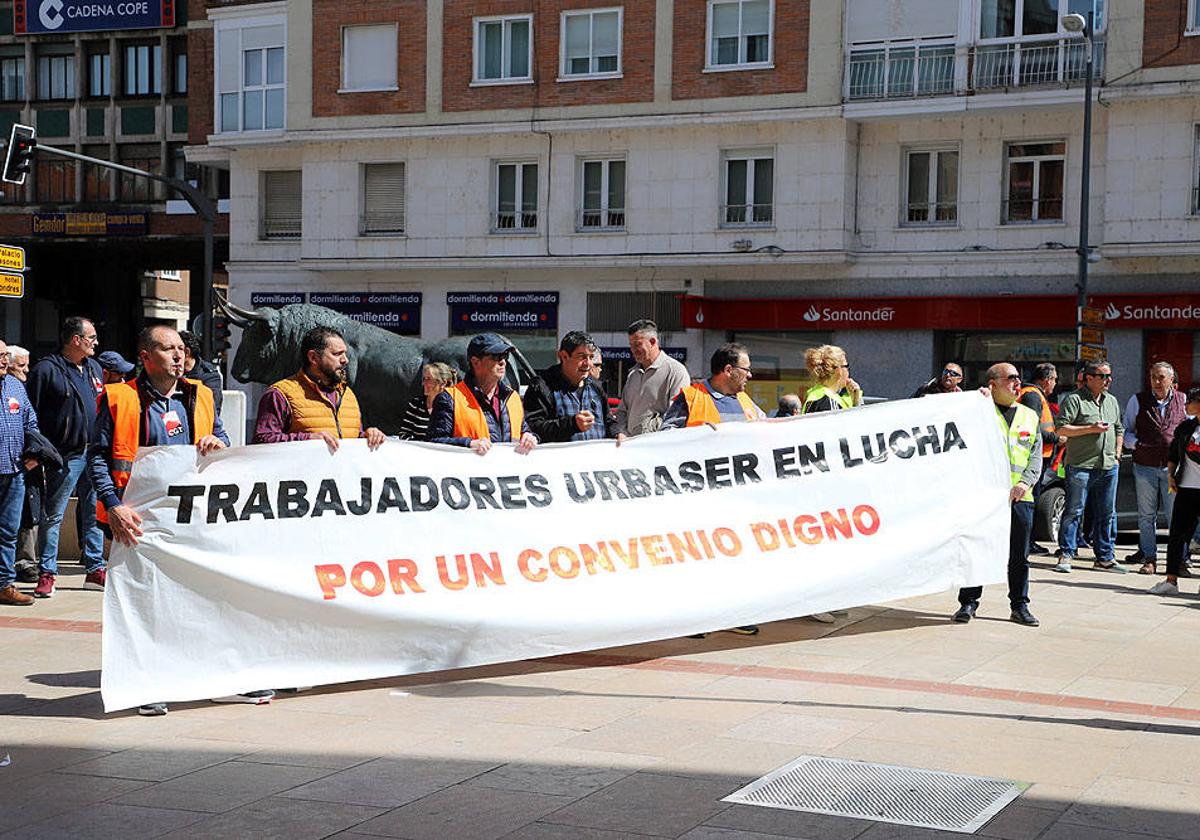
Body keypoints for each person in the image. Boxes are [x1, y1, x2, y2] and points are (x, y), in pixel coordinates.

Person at [90, 325, 271, 714]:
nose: (177, 355)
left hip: (193, 517)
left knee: (209, 596)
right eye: (167, 348)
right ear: (145, 356)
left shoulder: (201, 395)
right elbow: (98, 458)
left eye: (180, 348)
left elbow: (221, 442)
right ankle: (148, 684)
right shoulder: (119, 398)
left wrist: (216, 445)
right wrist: (113, 505)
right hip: (137, 520)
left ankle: (221, 679)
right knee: (146, 603)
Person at [952, 363, 1042, 627]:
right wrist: (974, 400)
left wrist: (1025, 483)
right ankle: (968, 603)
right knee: (977, 550)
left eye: (1018, 378)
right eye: (1010, 379)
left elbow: (1035, 456)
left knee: (1019, 556)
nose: (1017, 384)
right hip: (985, 498)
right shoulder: (978, 412)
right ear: (992, 384)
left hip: (1020, 498)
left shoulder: (1029, 415)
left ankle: (1019, 605)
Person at [25, 317, 107, 598]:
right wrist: (39, 451)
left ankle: (95, 568)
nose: (96, 342)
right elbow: (30, 414)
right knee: (54, 514)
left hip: (94, 453)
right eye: (91, 337)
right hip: (64, 455)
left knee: (94, 512)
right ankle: (47, 572)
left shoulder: (95, 369)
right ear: (76, 340)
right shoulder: (46, 370)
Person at [252, 326, 385, 452]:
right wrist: (307, 440)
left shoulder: (348, 394)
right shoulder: (279, 394)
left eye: (344, 353)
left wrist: (367, 436)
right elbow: (262, 441)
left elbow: (348, 437)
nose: (345, 360)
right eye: (337, 354)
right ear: (313, 357)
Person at [1053, 360, 1125, 574]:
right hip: (1080, 465)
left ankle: (1104, 557)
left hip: (1108, 465)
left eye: (1109, 376)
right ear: (1089, 378)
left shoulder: (1111, 401)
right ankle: (1066, 553)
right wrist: (1090, 429)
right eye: (1103, 376)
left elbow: (1119, 428)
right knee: (1074, 510)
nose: (1108, 380)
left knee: (1107, 513)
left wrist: (1117, 455)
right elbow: (1060, 429)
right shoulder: (1074, 400)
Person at [1122, 362, 1188, 573]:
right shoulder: (1137, 400)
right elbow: (1126, 431)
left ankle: (1179, 560)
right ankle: (1149, 558)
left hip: (1173, 470)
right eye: (1153, 377)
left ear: (1171, 379)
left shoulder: (1183, 400)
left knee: (1176, 516)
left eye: (1161, 377)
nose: (1156, 382)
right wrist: (1137, 444)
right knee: (1146, 515)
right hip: (1145, 466)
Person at [428, 333, 538, 455]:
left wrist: (530, 437)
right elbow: (433, 443)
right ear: (475, 362)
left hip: (507, 472)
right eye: (496, 357)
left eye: (505, 356)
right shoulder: (449, 398)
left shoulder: (513, 397)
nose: (503, 362)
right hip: (468, 472)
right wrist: (468, 444)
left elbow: (524, 431)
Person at [1148, 387, 1200, 596]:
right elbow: (1173, 454)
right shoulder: (1186, 427)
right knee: (1177, 535)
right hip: (1186, 488)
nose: (1186, 406)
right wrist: (1171, 476)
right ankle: (1171, 580)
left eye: (1191, 401)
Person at [0, 341, 40, 607]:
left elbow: (31, 422)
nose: (4, 360)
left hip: (14, 471)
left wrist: (34, 452)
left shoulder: (15, 386)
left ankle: (4, 584)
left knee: (8, 531)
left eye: (5, 356)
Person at [524, 331, 615, 443]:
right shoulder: (542, 387)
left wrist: (617, 432)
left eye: (591, 357)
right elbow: (533, 428)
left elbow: (608, 420)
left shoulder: (596, 387)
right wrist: (572, 424)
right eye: (582, 357)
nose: (588, 364)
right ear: (563, 356)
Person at [661, 343, 766, 430]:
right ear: (728, 370)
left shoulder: (744, 399)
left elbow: (766, 428)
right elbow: (666, 436)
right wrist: (695, 435)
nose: (749, 375)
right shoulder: (690, 398)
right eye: (746, 370)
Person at [614, 319, 690, 439]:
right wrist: (621, 432)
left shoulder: (676, 372)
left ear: (653, 341)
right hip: (629, 447)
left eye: (637, 344)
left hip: (657, 447)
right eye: (631, 345)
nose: (633, 350)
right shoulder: (633, 374)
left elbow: (676, 416)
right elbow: (622, 411)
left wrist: (646, 432)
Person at [1018, 363, 1059, 555]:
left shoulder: (1034, 394)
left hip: (1041, 456)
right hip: (1034, 458)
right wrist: (1057, 438)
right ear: (1046, 380)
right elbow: (1033, 427)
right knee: (1029, 501)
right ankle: (1027, 543)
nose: (1055, 384)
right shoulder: (1033, 396)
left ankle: (1027, 541)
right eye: (1054, 379)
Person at [396, 362, 456, 442]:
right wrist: (422, 446)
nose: (424, 383)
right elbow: (403, 434)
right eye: (424, 379)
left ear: (443, 383)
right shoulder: (416, 404)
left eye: (429, 379)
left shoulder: (454, 407)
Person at [802, 345, 862, 413]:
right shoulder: (828, 401)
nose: (848, 371)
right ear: (839, 370)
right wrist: (857, 403)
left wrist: (855, 401)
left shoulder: (817, 394)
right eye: (846, 366)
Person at [180, 330, 224, 417]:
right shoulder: (170, 371)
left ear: (187, 352)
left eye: (177, 348)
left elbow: (212, 409)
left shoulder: (208, 375)